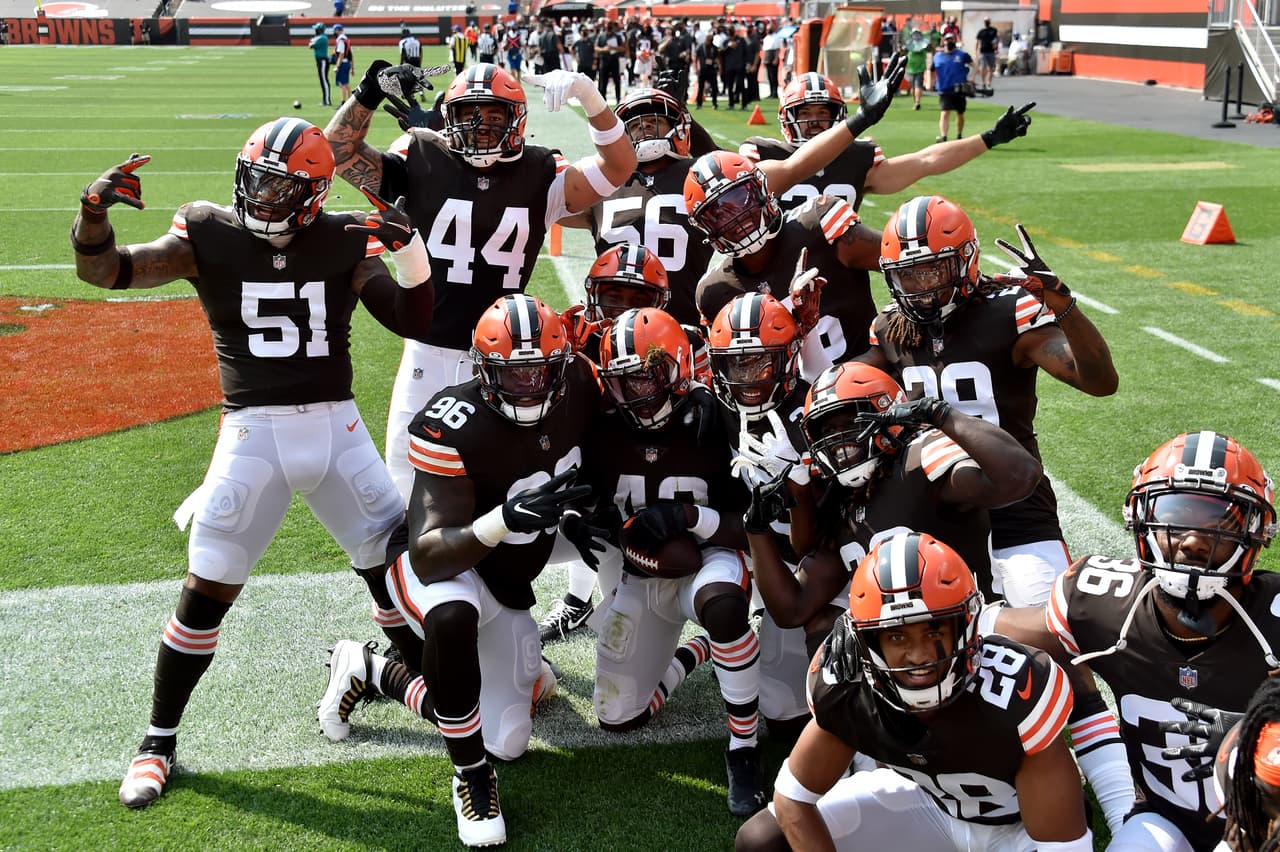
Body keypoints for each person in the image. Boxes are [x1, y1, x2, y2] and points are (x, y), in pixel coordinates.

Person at [73, 119, 436, 809]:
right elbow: (107, 269)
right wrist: (92, 215)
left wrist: (412, 253)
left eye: (281, 187)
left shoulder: (342, 237)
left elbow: (412, 318)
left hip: (338, 428)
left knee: (393, 578)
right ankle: (157, 740)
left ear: (314, 191)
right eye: (257, 181)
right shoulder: (207, 233)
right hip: (253, 435)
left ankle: (419, 689)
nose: (264, 198)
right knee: (206, 589)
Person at [320, 294, 604, 847]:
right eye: (513, 374)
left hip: (508, 577)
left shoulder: (581, 388)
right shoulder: (456, 420)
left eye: (539, 371)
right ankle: (471, 778)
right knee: (452, 618)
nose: (528, 386)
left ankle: (373, 671)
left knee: (511, 738)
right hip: (437, 566)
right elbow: (429, 552)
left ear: (561, 365)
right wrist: (500, 520)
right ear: (482, 369)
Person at [325, 62, 636, 503]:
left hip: (507, 360)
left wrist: (590, 97)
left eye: (494, 115)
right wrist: (368, 90)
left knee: (498, 492)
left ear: (517, 120)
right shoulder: (421, 155)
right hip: (427, 354)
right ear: (449, 116)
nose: (481, 126)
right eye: (471, 112)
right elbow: (335, 152)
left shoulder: (541, 172)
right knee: (405, 492)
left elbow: (619, 166)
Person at [992, 431, 1279, 851]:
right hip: (1166, 816)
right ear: (1141, 518)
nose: (1194, 540)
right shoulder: (1100, 604)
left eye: (1219, 522)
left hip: (1261, 824)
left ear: (1256, 531)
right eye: (1177, 515)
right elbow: (994, 628)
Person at [735, 532, 1093, 852]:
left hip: (1018, 831)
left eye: (935, 632)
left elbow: (1064, 847)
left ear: (966, 626)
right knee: (763, 841)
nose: (919, 655)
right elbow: (792, 799)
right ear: (867, 641)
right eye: (896, 636)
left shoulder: (1015, 693)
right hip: (932, 808)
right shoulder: (849, 686)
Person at [738, 360, 1040, 727]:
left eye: (849, 422)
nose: (839, 441)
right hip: (898, 656)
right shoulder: (842, 500)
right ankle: (869, 745)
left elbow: (1021, 476)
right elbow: (794, 608)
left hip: (970, 634)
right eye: (827, 430)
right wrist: (755, 527)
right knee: (828, 628)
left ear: (887, 413)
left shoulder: (921, 458)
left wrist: (941, 415)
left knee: (1054, 640)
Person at [861, 196, 1118, 607]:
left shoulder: (1009, 310)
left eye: (933, 270)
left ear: (967, 259)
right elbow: (848, 386)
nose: (923, 287)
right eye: (909, 275)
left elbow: (1101, 382)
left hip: (1016, 504)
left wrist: (1062, 304)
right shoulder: (891, 327)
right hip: (934, 509)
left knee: (1050, 633)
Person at [582, 306, 765, 817]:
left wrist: (688, 516)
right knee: (619, 718)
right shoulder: (600, 429)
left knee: (725, 607)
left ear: (680, 366)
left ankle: (743, 747)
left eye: (649, 374)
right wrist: (593, 522)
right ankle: (700, 652)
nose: (638, 392)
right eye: (625, 381)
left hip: (711, 561)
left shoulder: (714, 419)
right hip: (642, 571)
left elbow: (752, 527)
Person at [563, 58, 900, 329]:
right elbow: (530, 205)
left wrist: (859, 120)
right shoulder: (599, 186)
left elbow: (799, 164)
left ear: (681, 127)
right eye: (635, 125)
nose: (645, 129)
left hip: (688, 329)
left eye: (655, 121)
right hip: (612, 321)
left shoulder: (703, 178)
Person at [741, 69, 1033, 214]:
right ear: (787, 116)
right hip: (776, 281)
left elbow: (926, 161)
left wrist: (988, 139)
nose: (814, 120)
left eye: (822, 112)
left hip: (841, 282)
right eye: (805, 112)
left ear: (839, 115)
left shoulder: (857, 159)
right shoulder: (762, 154)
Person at [932, 31, 973, 141]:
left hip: (959, 89)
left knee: (960, 113)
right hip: (944, 89)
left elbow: (974, 65)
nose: (949, 42)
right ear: (943, 41)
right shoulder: (937, 56)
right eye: (947, 40)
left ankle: (959, 134)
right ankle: (944, 136)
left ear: (954, 41)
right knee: (945, 112)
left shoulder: (962, 55)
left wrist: (972, 79)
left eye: (951, 40)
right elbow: (930, 69)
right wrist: (929, 81)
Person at [595, 19, 625, 105]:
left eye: (611, 24)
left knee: (617, 81)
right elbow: (596, 48)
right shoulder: (601, 36)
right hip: (604, 61)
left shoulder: (617, 36)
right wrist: (604, 49)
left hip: (614, 61)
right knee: (602, 82)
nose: (609, 26)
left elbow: (623, 48)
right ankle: (602, 101)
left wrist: (613, 48)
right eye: (608, 25)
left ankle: (618, 99)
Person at [903, 22, 930, 109]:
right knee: (914, 86)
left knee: (917, 86)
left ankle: (917, 102)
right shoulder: (911, 44)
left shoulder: (922, 44)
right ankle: (916, 101)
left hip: (918, 67)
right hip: (912, 67)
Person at [308, 22, 331, 107]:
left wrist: (312, 40)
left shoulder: (322, 38)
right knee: (323, 80)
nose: (315, 31)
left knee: (324, 81)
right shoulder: (321, 37)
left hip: (322, 61)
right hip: (320, 61)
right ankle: (325, 100)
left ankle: (327, 101)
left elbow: (311, 45)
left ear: (319, 30)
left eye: (316, 29)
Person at [975, 17, 999, 94]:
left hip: (991, 51)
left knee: (991, 68)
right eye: (986, 21)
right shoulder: (981, 31)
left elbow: (996, 39)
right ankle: (983, 82)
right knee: (983, 67)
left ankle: (989, 82)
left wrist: (996, 48)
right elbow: (978, 42)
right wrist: (976, 52)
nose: (987, 22)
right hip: (983, 51)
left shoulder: (993, 30)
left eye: (987, 21)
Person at [332, 24, 353, 105]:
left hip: (343, 64)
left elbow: (341, 54)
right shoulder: (346, 39)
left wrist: (337, 66)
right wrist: (352, 67)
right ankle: (350, 103)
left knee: (342, 84)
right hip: (347, 63)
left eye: (335, 30)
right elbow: (350, 54)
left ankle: (343, 103)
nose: (334, 32)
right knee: (346, 84)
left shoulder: (341, 40)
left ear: (338, 30)